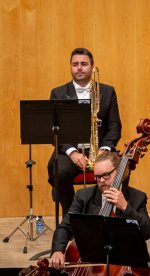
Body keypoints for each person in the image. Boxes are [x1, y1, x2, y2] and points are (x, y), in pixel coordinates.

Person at [50, 151, 150, 273]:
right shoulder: (83, 196)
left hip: (125, 260)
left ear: (120, 172)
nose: (101, 181)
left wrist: (125, 207)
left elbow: (147, 232)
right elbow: (65, 227)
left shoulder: (137, 197)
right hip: (92, 265)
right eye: (97, 177)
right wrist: (58, 250)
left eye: (106, 175)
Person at [47, 47, 122, 215]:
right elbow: (54, 131)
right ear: (70, 67)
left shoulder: (107, 91)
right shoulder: (58, 93)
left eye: (83, 64)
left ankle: (111, 215)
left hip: (100, 149)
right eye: (75, 64)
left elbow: (115, 126)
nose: (79, 68)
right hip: (70, 149)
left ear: (92, 67)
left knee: (122, 171)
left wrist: (106, 149)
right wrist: (72, 152)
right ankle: (71, 215)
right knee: (60, 171)